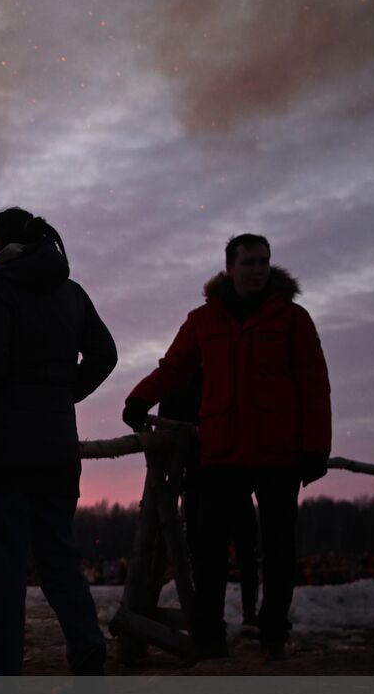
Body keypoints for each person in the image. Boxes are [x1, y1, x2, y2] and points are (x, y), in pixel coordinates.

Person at [124, 234, 331, 662]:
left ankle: (273, 633)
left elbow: (314, 386)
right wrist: (139, 398)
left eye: (264, 262)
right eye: (249, 262)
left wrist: (316, 449)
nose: (258, 269)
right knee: (208, 547)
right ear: (230, 267)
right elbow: (174, 367)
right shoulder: (204, 320)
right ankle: (209, 637)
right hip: (220, 453)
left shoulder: (293, 319)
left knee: (278, 549)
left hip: (278, 455)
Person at [0, 208, 116, 676]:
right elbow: (105, 355)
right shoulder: (71, 292)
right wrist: (63, 394)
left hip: (3, 450)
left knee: (6, 572)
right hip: (56, 448)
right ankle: (88, 654)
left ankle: (4, 678)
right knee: (60, 559)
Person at [157, 374, 262, 633]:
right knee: (206, 552)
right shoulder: (185, 381)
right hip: (203, 476)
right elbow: (166, 430)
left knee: (235, 551)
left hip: (228, 476)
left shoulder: (226, 373)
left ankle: (239, 618)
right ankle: (212, 621)